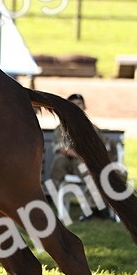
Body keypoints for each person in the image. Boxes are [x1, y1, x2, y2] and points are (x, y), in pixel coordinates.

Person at [49, 93, 113, 221]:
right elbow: (62, 148)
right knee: (85, 169)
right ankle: (93, 208)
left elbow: (104, 146)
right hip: (74, 163)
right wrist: (84, 156)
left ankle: (97, 208)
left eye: (79, 104)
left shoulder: (92, 128)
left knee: (95, 171)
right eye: (72, 105)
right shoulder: (62, 129)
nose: (76, 107)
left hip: (92, 163)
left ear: (84, 106)